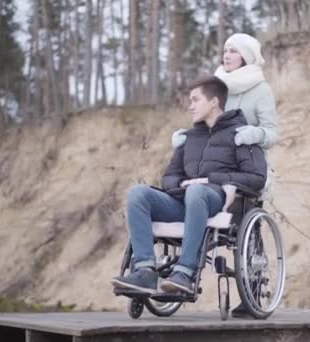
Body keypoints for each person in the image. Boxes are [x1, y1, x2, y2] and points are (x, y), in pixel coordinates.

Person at [110, 76, 267, 295]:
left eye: (195, 100)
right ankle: (145, 270)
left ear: (214, 102)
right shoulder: (189, 137)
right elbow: (169, 177)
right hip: (183, 199)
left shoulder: (240, 134)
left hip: (218, 201)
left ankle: (184, 272)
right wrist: (182, 184)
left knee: (197, 192)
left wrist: (210, 180)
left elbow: (257, 177)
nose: (190, 106)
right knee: (138, 193)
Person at [172, 34, 279, 317]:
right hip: (211, 170)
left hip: (245, 163)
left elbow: (272, 131)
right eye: (224, 50)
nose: (226, 55)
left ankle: (252, 293)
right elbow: (206, 123)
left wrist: (253, 133)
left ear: (245, 55)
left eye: (233, 51)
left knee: (248, 229)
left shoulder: (260, 89)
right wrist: (186, 137)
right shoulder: (217, 86)